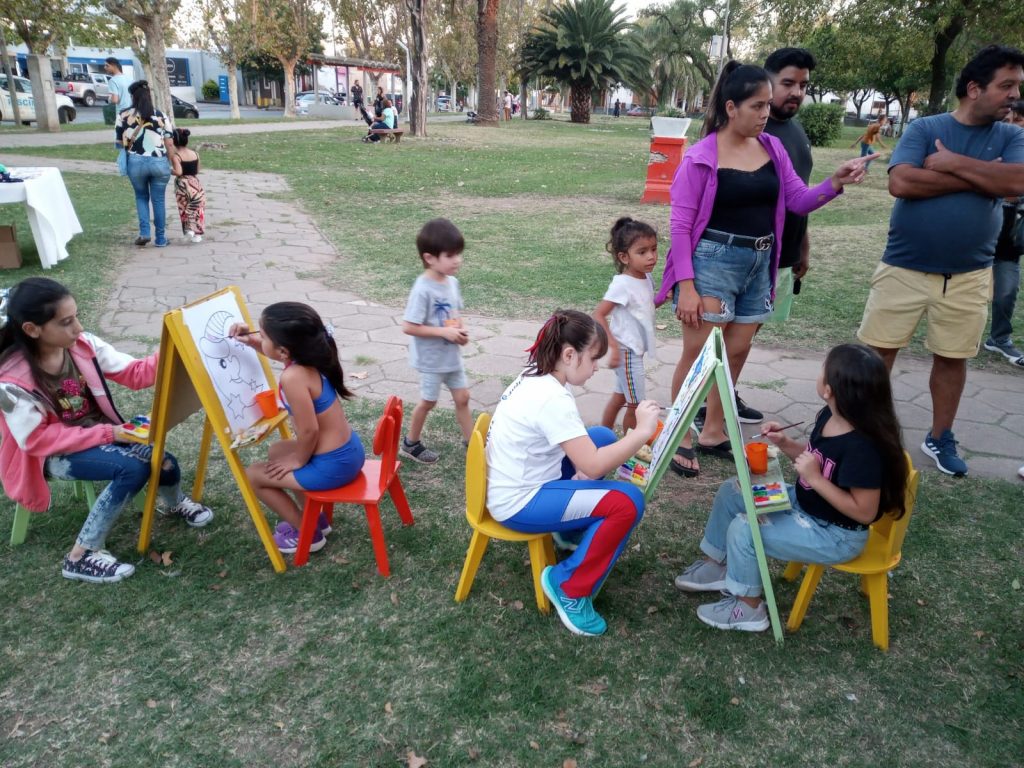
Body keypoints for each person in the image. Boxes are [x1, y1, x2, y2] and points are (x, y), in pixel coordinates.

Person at [657, 61, 873, 478]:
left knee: (736, 351)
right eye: (757, 107)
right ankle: (679, 433)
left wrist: (836, 182)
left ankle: (714, 430)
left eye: (767, 107)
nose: (765, 115)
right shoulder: (701, 158)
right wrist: (686, 286)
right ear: (731, 107)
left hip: (761, 263)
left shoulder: (772, 149)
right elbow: (681, 228)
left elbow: (797, 201)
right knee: (701, 356)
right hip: (712, 263)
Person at [857, 44, 1024, 477]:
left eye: (1017, 87)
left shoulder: (1012, 136)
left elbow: (1018, 182)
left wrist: (951, 162)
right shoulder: (925, 126)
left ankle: (940, 435)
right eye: (1006, 86)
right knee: (877, 356)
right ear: (974, 88)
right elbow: (903, 182)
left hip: (969, 274)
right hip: (904, 267)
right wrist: (983, 176)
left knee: (952, 358)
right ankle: (861, 433)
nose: (1014, 95)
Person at [675, 344, 907, 632]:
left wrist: (818, 480)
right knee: (732, 491)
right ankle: (717, 564)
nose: (819, 372)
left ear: (830, 390)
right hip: (804, 503)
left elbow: (864, 512)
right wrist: (786, 444)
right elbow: (813, 459)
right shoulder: (830, 415)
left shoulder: (863, 447)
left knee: (745, 529)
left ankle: (749, 609)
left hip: (835, 534)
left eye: (823, 368)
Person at [0, 278, 213, 583]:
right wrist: (110, 434)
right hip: (50, 455)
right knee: (132, 469)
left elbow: (136, 374)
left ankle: (174, 502)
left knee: (162, 459)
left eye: (76, 316)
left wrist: (177, 344)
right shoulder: (12, 381)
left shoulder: (82, 345)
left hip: (97, 434)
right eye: (66, 322)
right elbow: (37, 440)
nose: (78, 327)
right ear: (32, 329)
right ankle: (80, 556)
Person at [486, 309, 660, 636]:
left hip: (524, 482)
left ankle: (567, 533)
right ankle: (569, 586)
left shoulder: (539, 376)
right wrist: (640, 432)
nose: (596, 368)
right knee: (628, 503)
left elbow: (586, 451)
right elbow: (593, 465)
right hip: (519, 503)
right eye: (593, 360)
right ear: (569, 354)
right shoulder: (551, 398)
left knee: (603, 438)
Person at [230, 303, 364, 555]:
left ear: (283, 350)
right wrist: (250, 341)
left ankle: (307, 533)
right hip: (348, 452)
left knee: (253, 475)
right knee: (277, 450)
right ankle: (316, 520)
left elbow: (309, 431)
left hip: (334, 466)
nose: (260, 337)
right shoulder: (312, 358)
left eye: (263, 334)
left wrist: (299, 460)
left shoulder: (293, 378)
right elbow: (276, 351)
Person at [400, 219, 472, 463]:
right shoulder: (423, 289)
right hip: (431, 360)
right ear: (430, 258)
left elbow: (454, 315)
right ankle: (411, 443)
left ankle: (472, 443)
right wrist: (443, 333)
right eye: (450, 255)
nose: (457, 260)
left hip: (451, 356)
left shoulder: (452, 283)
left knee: (462, 398)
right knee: (428, 402)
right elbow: (408, 326)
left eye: (459, 254)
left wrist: (460, 332)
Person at [593, 217, 658, 433]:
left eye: (654, 249)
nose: (651, 256)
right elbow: (599, 315)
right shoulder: (621, 284)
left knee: (620, 396)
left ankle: (603, 435)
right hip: (627, 352)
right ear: (624, 257)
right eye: (642, 252)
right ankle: (632, 447)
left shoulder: (646, 278)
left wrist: (663, 299)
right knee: (636, 405)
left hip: (633, 350)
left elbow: (642, 307)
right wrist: (612, 347)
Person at [983, 99, 1024, 366]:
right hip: (979, 232)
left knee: (1006, 291)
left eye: (1017, 121)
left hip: (1010, 236)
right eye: (1006, 121)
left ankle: (999, 339)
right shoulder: (989, 148)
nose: (1010, 127)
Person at [116, 80, 175, 248]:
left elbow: (119, 142)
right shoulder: (161, 115)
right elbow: (169, 143)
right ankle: (161, 239)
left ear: (132, 96)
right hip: (159, 162)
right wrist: (172, 163)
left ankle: (144, 233)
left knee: (141, 197)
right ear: (149, 95)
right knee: (159, 200)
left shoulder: (123, 115)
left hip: (135, 162)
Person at [169, 128, 205, 244]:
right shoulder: (195, 154)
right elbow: (198, 169)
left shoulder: (176, 156)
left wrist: (170, 170)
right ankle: (198, 234)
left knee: (184, 208)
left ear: (174, 142)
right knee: (197, 208)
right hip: (195, 184)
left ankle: (189, 230)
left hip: (182, 184)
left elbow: (179, 172)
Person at [104, 57, 130, 145]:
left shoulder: (113, 81)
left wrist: (109, 98)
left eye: (107, 65)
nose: (105, 68)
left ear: (114, 66)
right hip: (133, 112)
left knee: (121, 141)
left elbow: (115, 99)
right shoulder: (129, 79)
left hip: (122, 113)